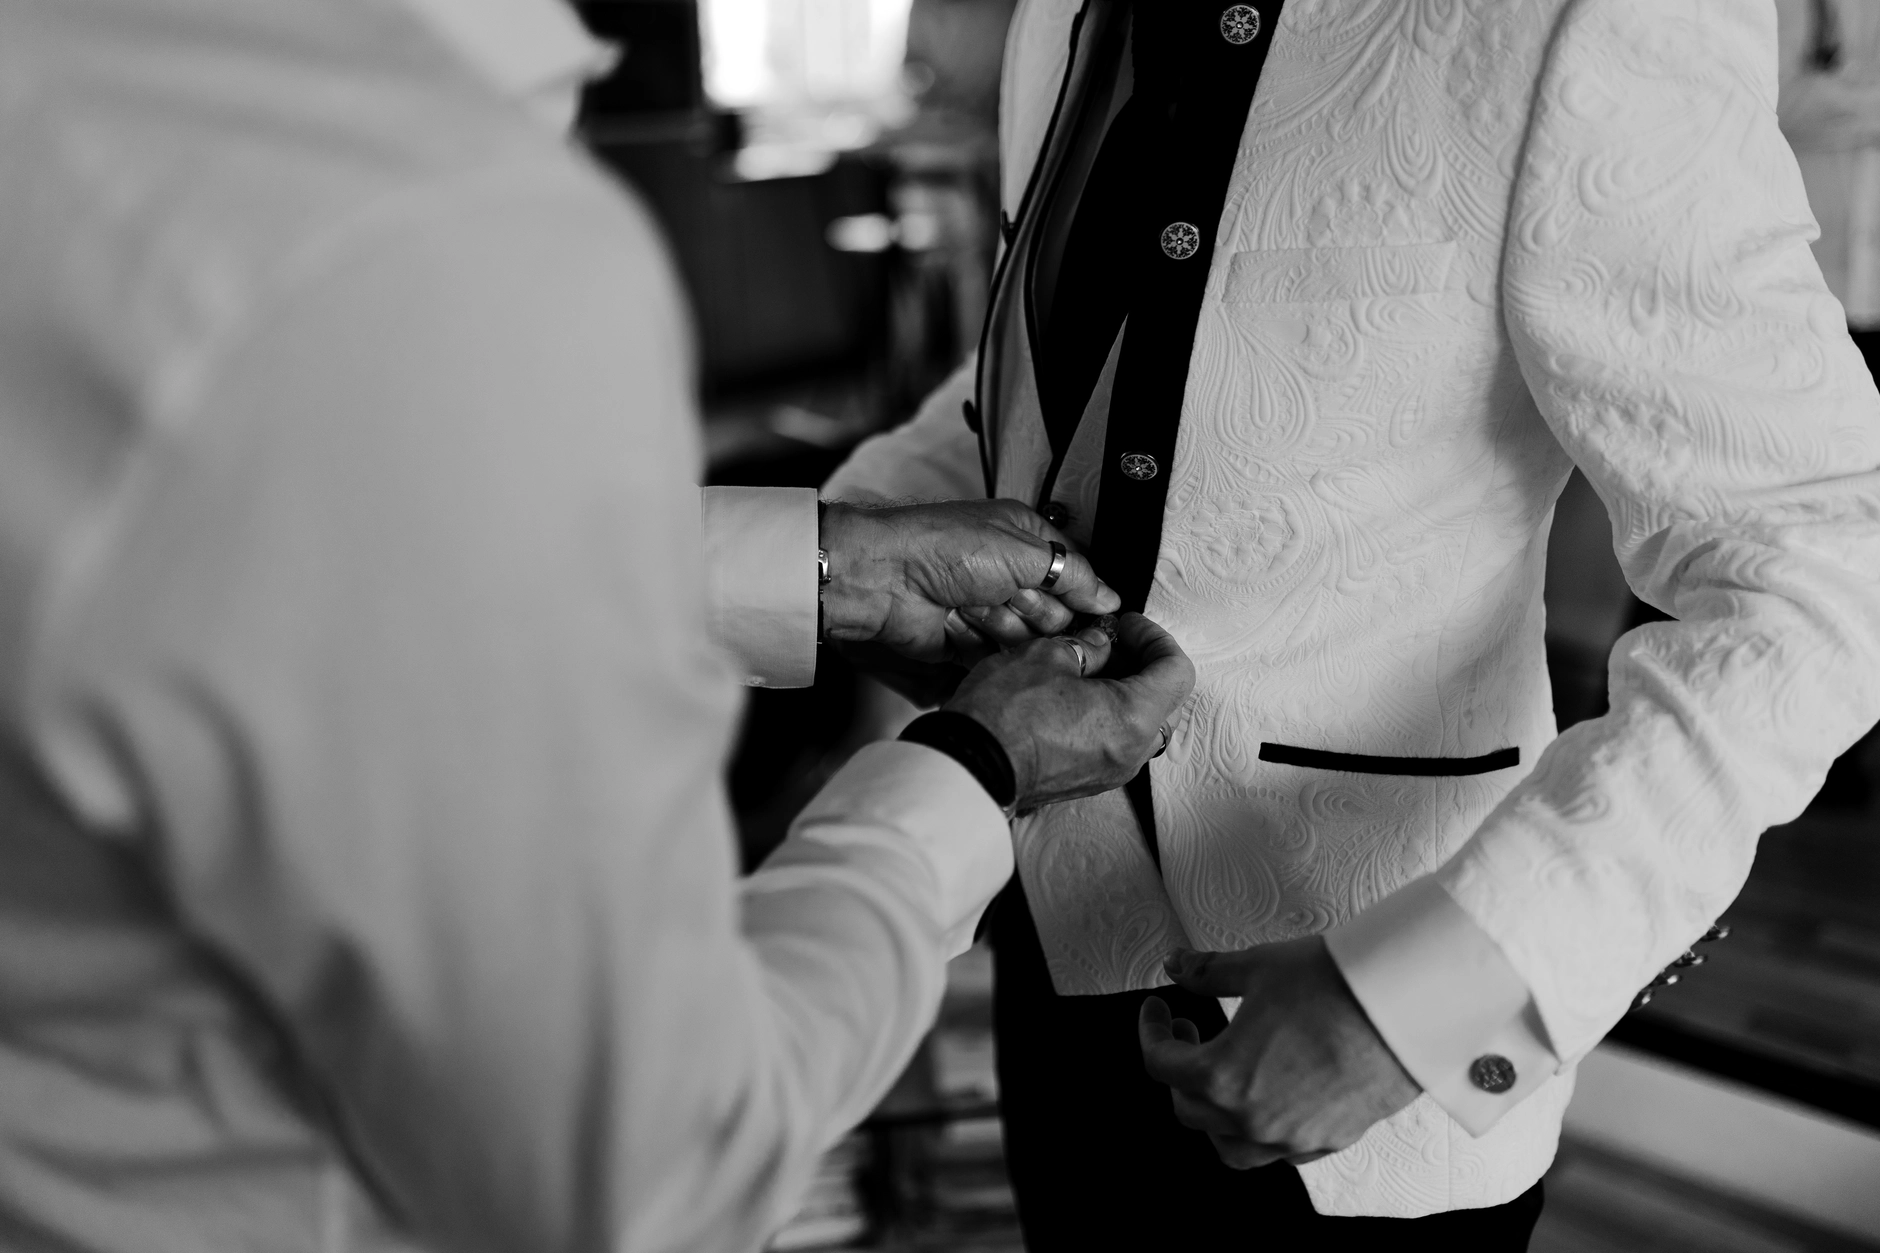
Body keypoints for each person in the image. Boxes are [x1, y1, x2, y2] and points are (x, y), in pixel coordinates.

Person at [0, 6, 1197, 1253]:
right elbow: (651, 1176)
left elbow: (239, 554)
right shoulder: (419, 231)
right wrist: (969, 776)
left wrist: (815, 569)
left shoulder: (73, 92)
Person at [824, 0, 1880, 1245]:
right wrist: (836, 545)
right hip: (1052, 966)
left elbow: (1817, 562)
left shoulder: (1582, 17)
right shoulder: (1059, 15)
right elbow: (1057, 359)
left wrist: (1427, 999)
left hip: (1356, 1049)